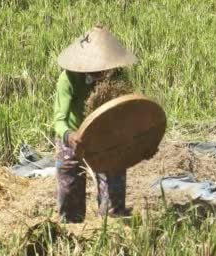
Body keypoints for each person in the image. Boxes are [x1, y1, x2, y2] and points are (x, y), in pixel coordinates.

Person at [53, 26, 146, 223]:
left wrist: (142, 144)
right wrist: (71, 136)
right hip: (74, 135)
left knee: (113, 194)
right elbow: (59, 120)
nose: (100, 73)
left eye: (104, 69)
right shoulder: (68, 79)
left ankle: (111, 225)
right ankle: (71, 227)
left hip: (106, 135)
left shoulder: (118, 78)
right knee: (69, 186)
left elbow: (127, 113)